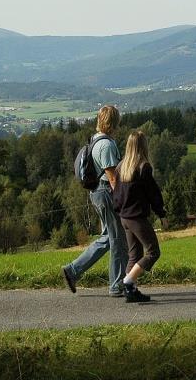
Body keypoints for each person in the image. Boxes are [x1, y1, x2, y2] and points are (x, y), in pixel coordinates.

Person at [61, 105, 128, 296]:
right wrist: (123, 200)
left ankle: (72, 271)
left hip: (97, 193)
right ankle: (117, 286)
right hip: (106, 193)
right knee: (117, 240)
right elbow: (112, 177)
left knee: (108, 238)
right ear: (114, 122)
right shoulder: (106, 145)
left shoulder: (95, 139)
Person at [112, 130, 167, 303]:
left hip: (124, 217)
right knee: (153, 252)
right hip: (136, 218)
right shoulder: (144, 167)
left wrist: (120, 211)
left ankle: (131, 291)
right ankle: (127, 282)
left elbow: (117, 194)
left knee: (134, 255)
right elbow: (153, 194)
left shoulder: (122, 166)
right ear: (143, 146)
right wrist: (162, 214)